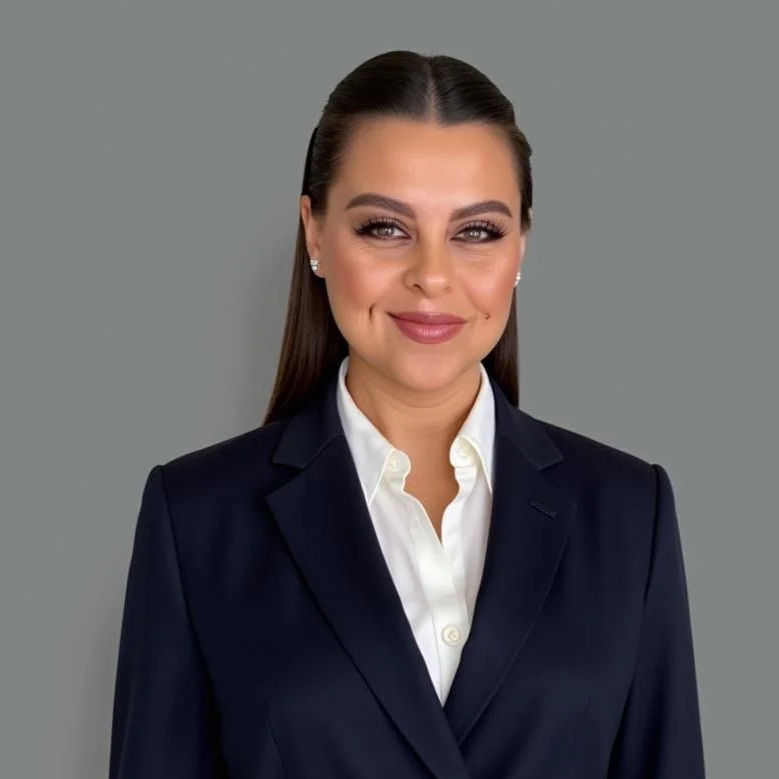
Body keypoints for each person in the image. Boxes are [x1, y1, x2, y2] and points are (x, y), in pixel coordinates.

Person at [108, 50, 706, 779]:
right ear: (314, 233)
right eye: (385, 228)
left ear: (520, 244)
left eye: (476, 231)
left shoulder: (626, 513)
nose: (431, 273)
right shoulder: (198, 520)